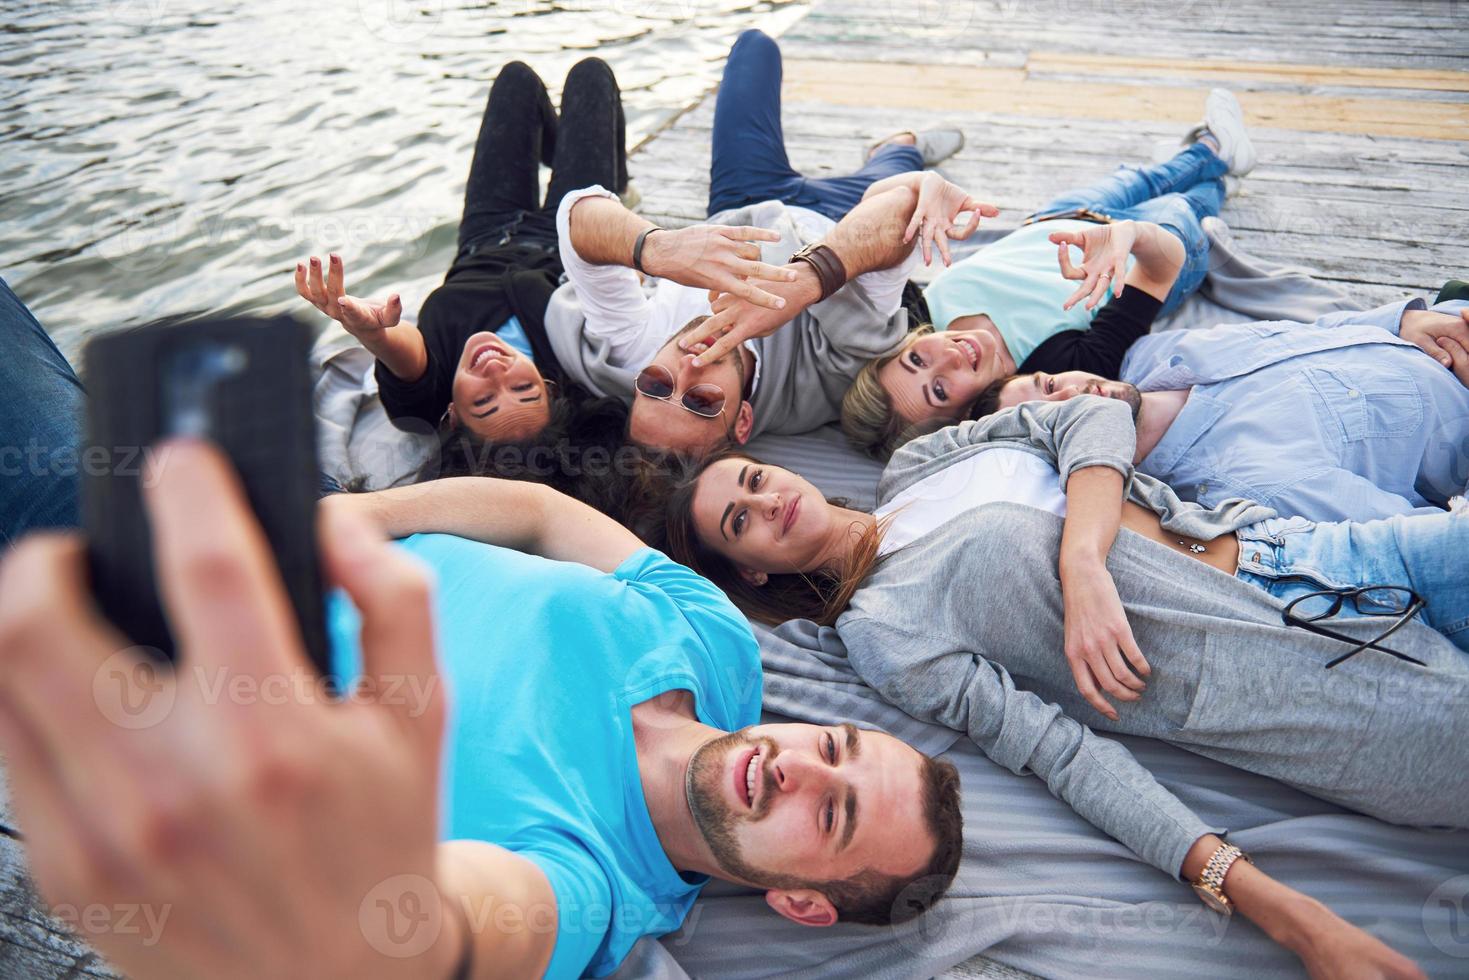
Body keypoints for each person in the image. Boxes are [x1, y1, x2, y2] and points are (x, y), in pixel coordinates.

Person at [0, 280, 964, 978]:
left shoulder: (586, 885)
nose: (802, 765)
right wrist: (338, 521)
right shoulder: (717, 646)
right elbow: (537, 515)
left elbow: (448, 922)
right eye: (835, 747)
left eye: (829, 813)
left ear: (801, 902)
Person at [661, 395, 1468, 828]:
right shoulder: (881, 628)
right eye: (740, 522)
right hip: (1289, 680)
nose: (767, 504)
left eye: (755, 479)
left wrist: (1081, 563)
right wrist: (1222, 873)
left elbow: (1092, 416)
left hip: (1305, 552)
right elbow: (1057, 754)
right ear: (750, 574)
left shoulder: (916, 463)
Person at [543, 29, 991, 455]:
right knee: (897, 170)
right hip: (851, 219)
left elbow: (578, 214)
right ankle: (898, 146)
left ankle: (891, 154)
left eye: (658, 386)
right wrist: (806, 280)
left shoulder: (637, 352)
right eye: (701, 401)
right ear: (742, 421)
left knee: (755, 48)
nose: (687, 368)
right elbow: (901, 213)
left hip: (749, 198)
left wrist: (656, 248)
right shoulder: (826, 378)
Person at [841, 89, 1255, 459]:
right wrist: (1130, 237)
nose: (948, 356)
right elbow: (1156, 274)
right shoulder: (1054, 367)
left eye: (916, 359)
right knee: (1185, 201)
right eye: (940, 389)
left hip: (1061, 217)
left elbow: (869, 214)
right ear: (964, 415)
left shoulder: (920, 308)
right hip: (1153, 249)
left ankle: (1211, 161)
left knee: (1140, 178)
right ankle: (1213, 154)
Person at [294, 58, 629, 490]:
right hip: (570, 234)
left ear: (452, 413)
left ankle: (567, 154)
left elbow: (409, 360)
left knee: (517, 80)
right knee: (591, 75)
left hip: (485, 232)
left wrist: (373, 334)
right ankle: (611, 174)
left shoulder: (428, 398)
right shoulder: (567, 362)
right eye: (525, 389)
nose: (496, 372)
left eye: (485, 402)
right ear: (548, 385)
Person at [975, 297, 1469, 522]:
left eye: (1052, 384)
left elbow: (1315, 330)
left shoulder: (1156, 357)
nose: (1074, 396)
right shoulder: (1251, 482)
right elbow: (1428, 538)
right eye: (1055, 416)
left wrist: (1403, 319)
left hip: (1441, 317)